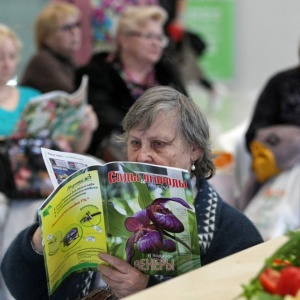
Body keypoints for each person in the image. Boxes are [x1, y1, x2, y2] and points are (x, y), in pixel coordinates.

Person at [1, 86, 263, 300]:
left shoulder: (231, 233)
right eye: (135, 143)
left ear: (194, 150)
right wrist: (42, 236)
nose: (142, 155)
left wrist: (145, 291)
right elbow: (22, 287)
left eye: (159, 144)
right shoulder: (102, 197)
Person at [76, 5, 188, 159]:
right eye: (148, 36)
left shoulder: (167, 73)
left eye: (159, 38)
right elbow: (106, 122)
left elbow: (188, 117)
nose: (156, 43)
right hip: (114, 160)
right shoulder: (98, 72)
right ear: (124, 40)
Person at [20, 2, 82, 93]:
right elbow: (71, 95)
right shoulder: (42, 61)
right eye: (67, 28)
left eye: (77, 25)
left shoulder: (66, 60)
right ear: (47, 36)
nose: (75, 32)